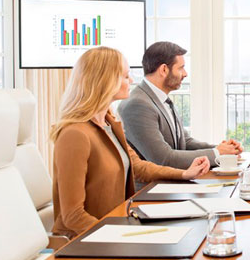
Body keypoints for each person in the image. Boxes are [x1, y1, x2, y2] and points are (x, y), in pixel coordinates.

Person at [51, 47, 210, 238]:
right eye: (126, 76)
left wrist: (185, 174)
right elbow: (73, 217)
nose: (132, 81)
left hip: (114, 225)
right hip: (86, 241)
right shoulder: (75, 134)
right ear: (105, 81)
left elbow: (138, 166)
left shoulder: (109, 123)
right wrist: (123, 236)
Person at [118, 42, 242, 169]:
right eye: (181, 68)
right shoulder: (138, 104)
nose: (185, 74)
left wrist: (223, 149)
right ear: (164, 70)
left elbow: (184, 142)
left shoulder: (162, 99)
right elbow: (164, 158)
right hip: (152, 187)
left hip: (173, 182)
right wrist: (217, 153)